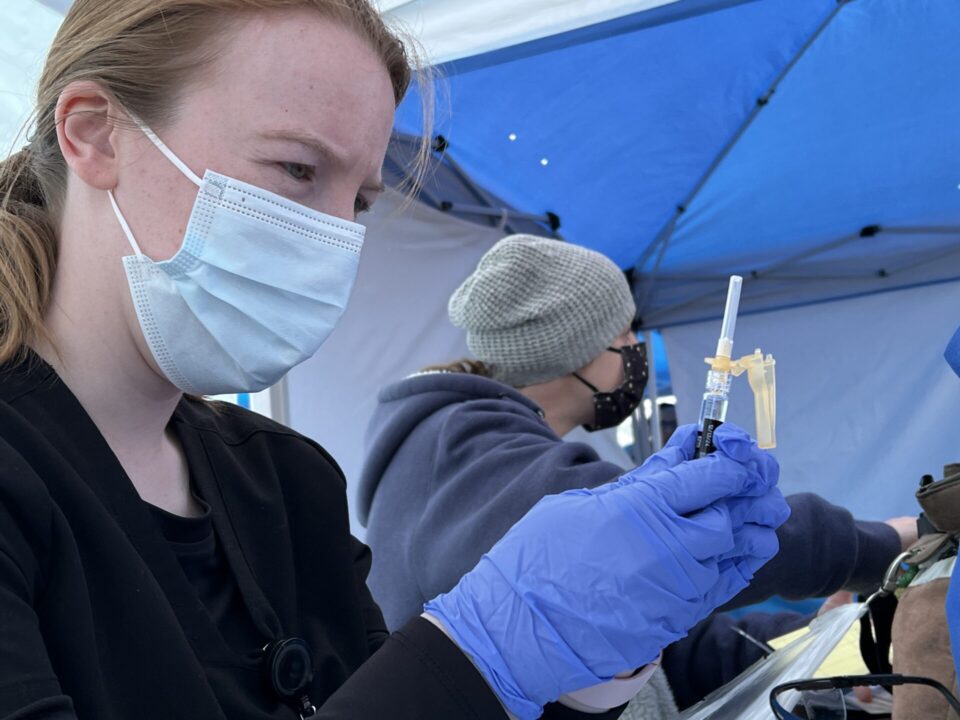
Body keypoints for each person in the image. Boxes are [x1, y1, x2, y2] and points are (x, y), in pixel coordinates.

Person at [0, 2, 791, 719]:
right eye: (297, 170)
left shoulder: (285, 482)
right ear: (95, 133)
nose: (332, 238)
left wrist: (587, 666)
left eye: (360, 202)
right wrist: (483, 649)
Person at [358, 234, 917, 714]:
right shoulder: (474, 457)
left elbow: (657, 632)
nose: (635, 350)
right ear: (568, 349)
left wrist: (801, 652)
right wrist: (890, 542)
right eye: (622, 334)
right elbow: (683, 543)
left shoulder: (476, 450)